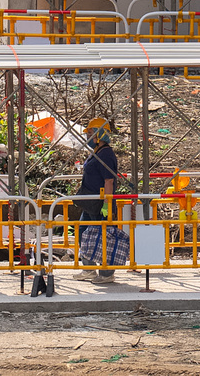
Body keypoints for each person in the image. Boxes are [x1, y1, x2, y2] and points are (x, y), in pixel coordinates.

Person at [74, 117, 119, 284]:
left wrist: (107, 203)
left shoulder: (106, 154)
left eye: (90, 133)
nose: (88, 136)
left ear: (99, 134)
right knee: (84, 232)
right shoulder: (97, 152)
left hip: (100, 203)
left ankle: (107, 274)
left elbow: (109, 181)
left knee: (103, 237)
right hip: (90, 202)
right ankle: (89, 269)